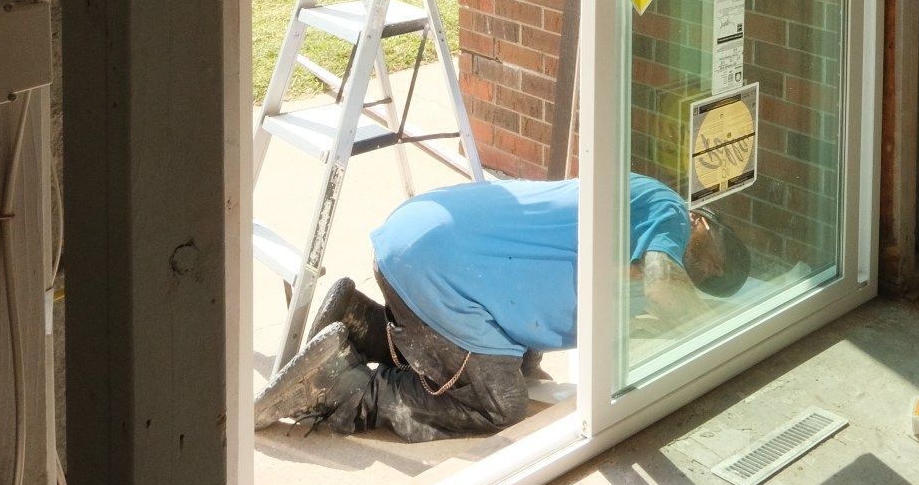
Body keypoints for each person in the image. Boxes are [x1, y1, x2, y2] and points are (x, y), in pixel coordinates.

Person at [254, 173, 751, 444]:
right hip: (443, 269)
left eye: (707, 284)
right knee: (498, 403)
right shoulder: (668, 212)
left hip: (423, 248)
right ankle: (344, 387)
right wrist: (730, 341)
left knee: (513, 365)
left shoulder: (636, 229)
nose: (699, 276)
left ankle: (363, 325)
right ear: (701, 222)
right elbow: (668, 289)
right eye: (707, 265)